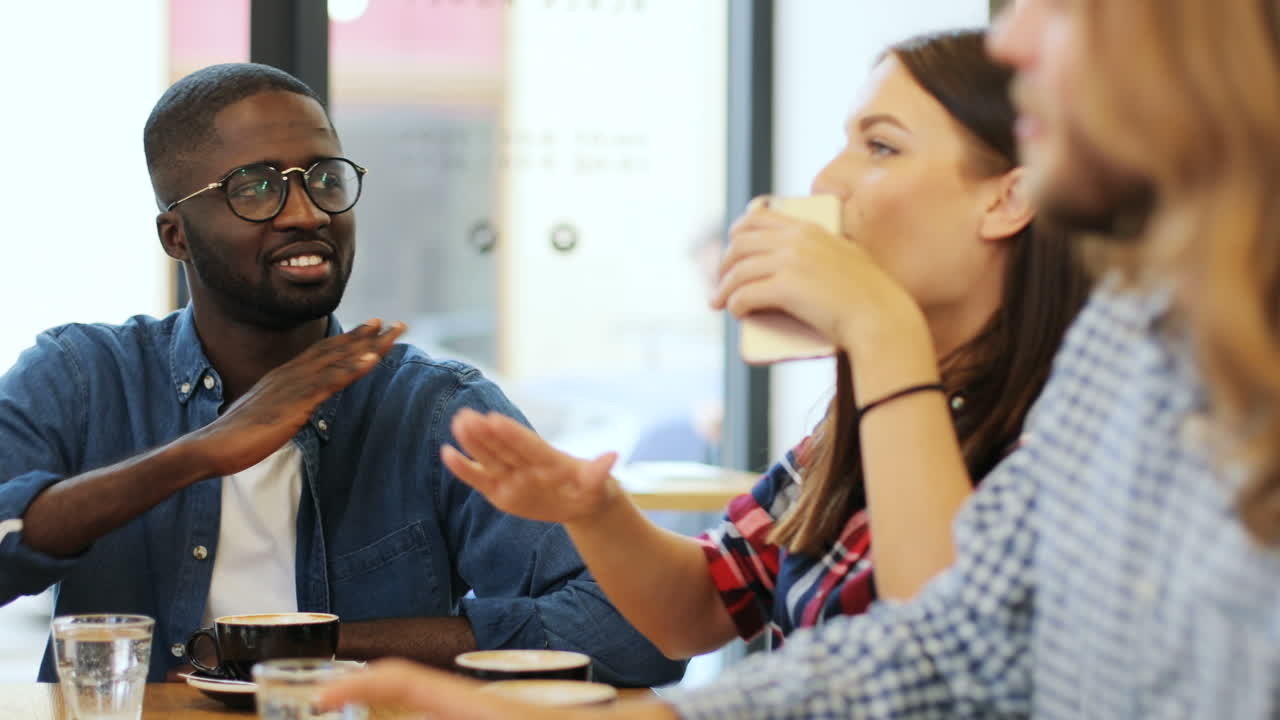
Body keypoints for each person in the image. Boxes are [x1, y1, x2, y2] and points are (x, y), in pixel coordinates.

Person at [320, 0, 1280, 717]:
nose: (826, 180)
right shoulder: (1120, 343)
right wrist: (596, 508)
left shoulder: (1048, 384)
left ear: (1007, 197)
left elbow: (947, 650)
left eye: (881, 147)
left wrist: (878, 325)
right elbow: (913, 641)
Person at [0, 62, 684, 688]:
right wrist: (195, 456)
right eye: (257, 188)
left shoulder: (434, 408)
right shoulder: (83, 377)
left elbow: (641, 630)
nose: (308, 213)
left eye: (324, 178)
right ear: (176, 235)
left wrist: (312, 648)